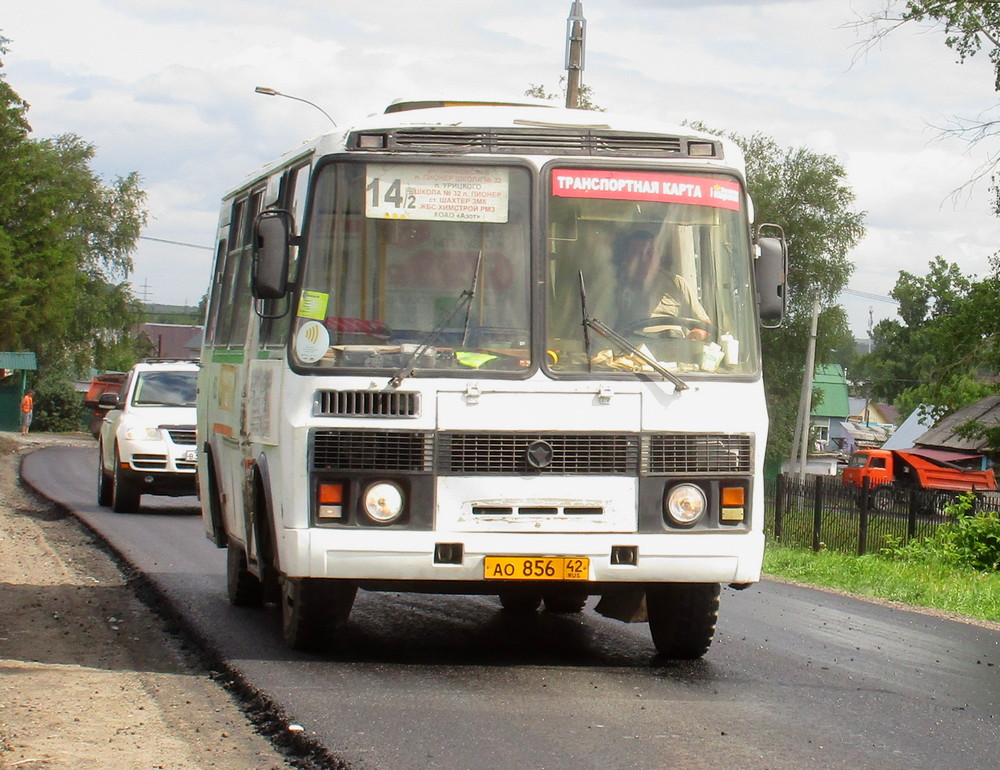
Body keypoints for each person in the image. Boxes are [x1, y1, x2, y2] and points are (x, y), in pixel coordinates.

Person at [613, 230, 712, 341]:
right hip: (632, 352)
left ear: (658, 256)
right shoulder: (615, 287)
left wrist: (692, 339)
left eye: (650, 253)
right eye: (637, 253)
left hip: (676, 351)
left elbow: (705, 325)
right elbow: (599, 331)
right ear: (627, 257)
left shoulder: (676, 283)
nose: (644, 260)